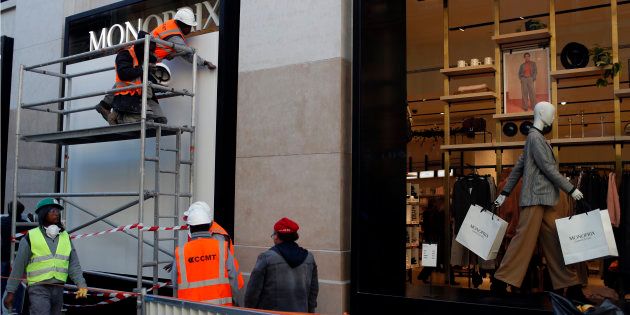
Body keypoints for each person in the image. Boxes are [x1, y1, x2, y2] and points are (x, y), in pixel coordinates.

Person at [491, 101, 589, 303]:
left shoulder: (535, 139)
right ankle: (500, 281)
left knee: (555, 242)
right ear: (542, 113)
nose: (553, 118)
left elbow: (519, 167)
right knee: (522, 242)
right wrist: (571, 189)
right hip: (535, 198)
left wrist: (505, 193)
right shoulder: (535, 139)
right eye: (551, 114)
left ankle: (572, 286)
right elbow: (548, 169)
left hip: (546, 200)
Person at [95, 7, 215, 124]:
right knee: (129, 81)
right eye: (189, 26)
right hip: (144, 57)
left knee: (132, 82)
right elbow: (188, 53)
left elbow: (167, 49)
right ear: (182, 24)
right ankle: (115, 111)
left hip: (145, 57)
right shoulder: (174, 35)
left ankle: (105, 105)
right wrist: (203, 62)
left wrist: (171, 54)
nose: (191, 29)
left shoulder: (170, 25)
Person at [3, 198, 88, 315]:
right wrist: (11, 292)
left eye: (58, 211)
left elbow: (73, 264)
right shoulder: (31, 237)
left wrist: (81, 285)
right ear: (43, 213)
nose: (56, 213)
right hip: (38, 288)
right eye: (52, 211)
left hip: (58, 288)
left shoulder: (65, 236)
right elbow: (19, 266)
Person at [172, 204, 244, 306]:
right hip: (220, 310)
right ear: (209, 225)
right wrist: (236, 304)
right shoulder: (221, 248)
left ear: (190, 228)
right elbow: (233, 278)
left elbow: (175, 285)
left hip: (191, 310)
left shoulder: (180, 252)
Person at [244, 217, 318, 313]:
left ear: (277, 236)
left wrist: (248, 311)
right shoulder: (309, 258)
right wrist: (310, 311)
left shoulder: (266, 258)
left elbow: (253, 293)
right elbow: (313, 292)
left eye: (274, 234)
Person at [110, 31, 167, 124]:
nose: (150, 52)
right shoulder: (125, 54)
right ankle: (118, 117)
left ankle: (121, 115)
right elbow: (123, 73)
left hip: (141, 95)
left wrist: (159, 86)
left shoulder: (142, 57)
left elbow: (146, 77)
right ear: (141, 46)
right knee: (144, 121)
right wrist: (145, 68)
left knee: (161, 120)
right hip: (127, 97)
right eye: (149, 49)